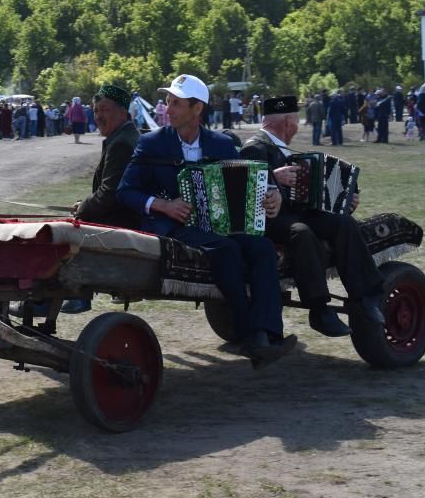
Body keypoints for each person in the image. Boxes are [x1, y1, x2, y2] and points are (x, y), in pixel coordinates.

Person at [117, 73, 294, 367]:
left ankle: (266, 334)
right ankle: (245, 331)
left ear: (197, 109)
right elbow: (126, 191)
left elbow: (252, 179)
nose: (168, 108)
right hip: (174, 227)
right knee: (227, 250)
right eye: (168, 101)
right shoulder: (152, 143)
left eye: (176, 103)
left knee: (261, 248)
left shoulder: (222, 144)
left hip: (220, 225)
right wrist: (162, 205)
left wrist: (272, 193)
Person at [239, 96, 386, 338]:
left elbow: (310, 191)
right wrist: (275, 177)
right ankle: (319, 309)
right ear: (288, 121)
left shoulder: (284, 147)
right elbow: (247, 188)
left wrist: (345, 199)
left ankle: (366, 295)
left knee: (343, 222)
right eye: (296, 119)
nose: (297, 125)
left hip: (297, 211)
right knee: (302, 233)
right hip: (271, 219)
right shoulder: (255, 147)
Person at [62, 84, 144, 314]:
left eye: (104, 110)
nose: (98, 116)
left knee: (61, 234)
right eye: (96, 110)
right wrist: (86, 204)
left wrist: (82, 208)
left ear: (122, 112)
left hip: (123, 220)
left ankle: (76, 295)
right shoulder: (124, 136)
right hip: (122, 214)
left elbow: (109, 194)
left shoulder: (121, 143)